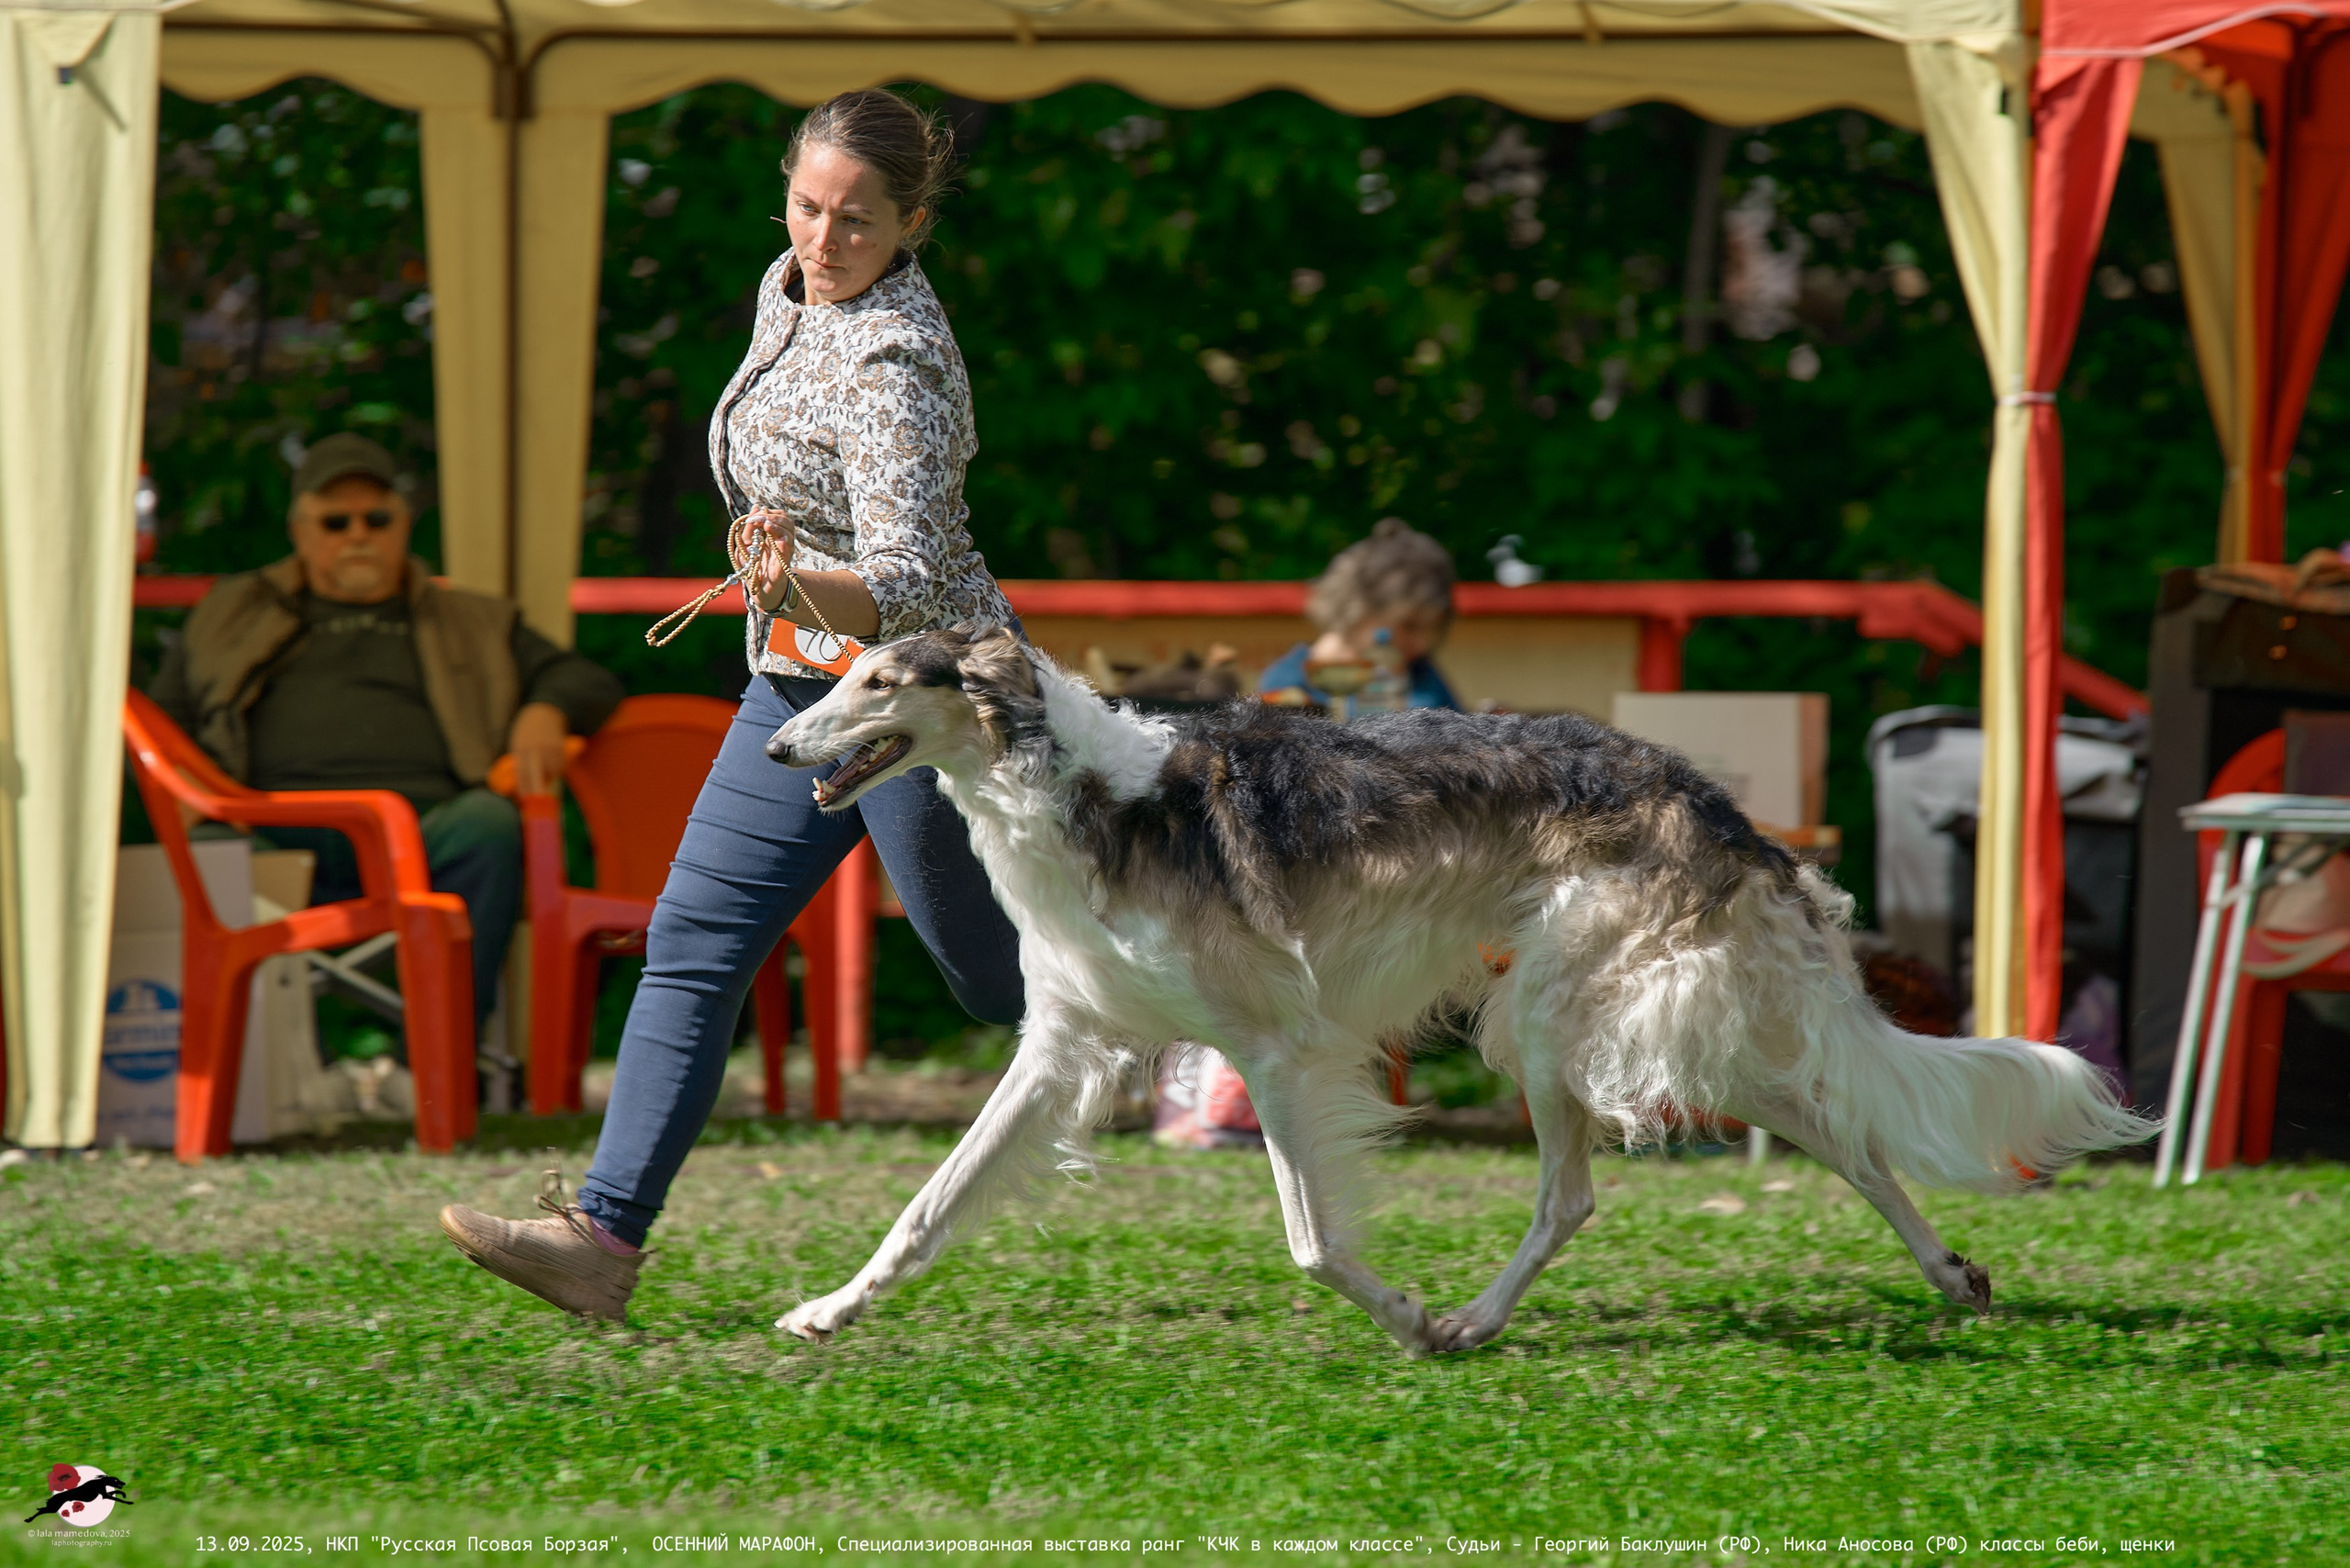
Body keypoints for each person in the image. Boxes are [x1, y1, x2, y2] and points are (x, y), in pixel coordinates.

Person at [438, 88, 1025, 1322]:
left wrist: (789, 576)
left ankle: (1221, 1018)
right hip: (794, 685)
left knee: (998, 980)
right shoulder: (787, 285)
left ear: (913, 222)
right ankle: (599, 1240)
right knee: (693, 942)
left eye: (857, 222)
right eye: (809, 207)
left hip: (921, 708)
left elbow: (912, 589)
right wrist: (780, 581)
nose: (822, 238)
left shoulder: (896, 361)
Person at [150, 431, 623, 1045]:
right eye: (335, 521)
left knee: (489, 823)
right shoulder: (234, 611)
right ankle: (245, 1080)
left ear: (403, 527)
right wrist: (193, 795)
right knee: (209, 847)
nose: (357, 536)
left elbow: (585, 678)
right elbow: (165, 718)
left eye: (376, 519)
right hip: (269, 826)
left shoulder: (469, 618)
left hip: (420, 834)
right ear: (300, 532)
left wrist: (546, 708)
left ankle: (438, 1058)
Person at [1258, 517, 1461, 711]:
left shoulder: (1421, 674)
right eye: (1409, 625)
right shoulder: (1288, 685)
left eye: (1430, 632)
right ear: (1358, 608)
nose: (1420, 644)